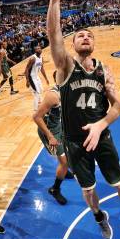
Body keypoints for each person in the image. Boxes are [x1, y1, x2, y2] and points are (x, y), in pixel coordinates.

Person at [46, 0, 120, 239]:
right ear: (73, 43)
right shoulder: (65, 66)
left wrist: (101, 125)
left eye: (89, 35)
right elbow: (53, 32)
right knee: (88, 189)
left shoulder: (104, 70)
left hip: (102, 137)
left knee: (119, 183)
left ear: (94, 43)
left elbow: (118, 106)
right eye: (80, 35)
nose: (85, 37)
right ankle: (100, 217)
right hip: (75, 142)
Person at [32, 72, 74, 205]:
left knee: (66, 154)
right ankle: (55, 189)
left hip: (60, 127)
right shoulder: (53, 96)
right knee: (64, 161)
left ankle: (63, 170)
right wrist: (50, 137)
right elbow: (36, 117)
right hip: (50, 132)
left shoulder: (69, 91)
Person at [25, 45, 50, 111]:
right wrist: (27, 80)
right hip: (31, 77)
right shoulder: (33, 58)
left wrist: (46, 78)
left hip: (36, 76)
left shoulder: (41, 57)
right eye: (37, 49)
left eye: (40, 48)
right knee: (36, 93)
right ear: (35, 51)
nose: (39, 49)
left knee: (41, 90)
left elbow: (42, 69)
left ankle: (40, 103)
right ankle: (36, 109)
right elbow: (26, 69)